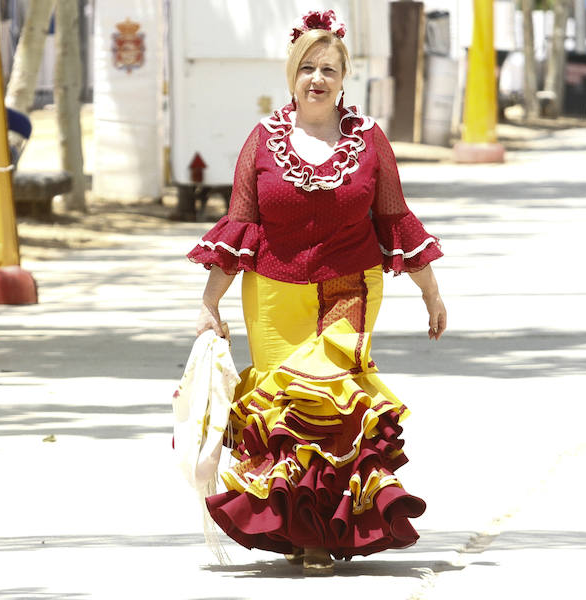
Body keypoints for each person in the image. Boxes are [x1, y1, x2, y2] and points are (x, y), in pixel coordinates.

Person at [186, 10, 447, 576]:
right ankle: (301, 527)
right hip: (273, 291)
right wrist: (209, 304)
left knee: (328, 402)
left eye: (328, 69)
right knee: (283, 406)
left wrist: (432, 294)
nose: (317, 79)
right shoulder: (262, 140)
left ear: (344, 77)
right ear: (291, 74)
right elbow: (242, 226)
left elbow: (394, 220)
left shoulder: (370, 141)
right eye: (307, 67)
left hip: (349, 287)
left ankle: (322, 534)